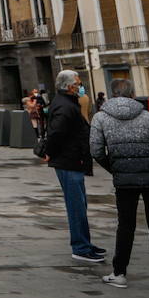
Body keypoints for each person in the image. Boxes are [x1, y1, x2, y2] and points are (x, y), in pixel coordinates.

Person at [90, 78, 149, 292]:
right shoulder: (147, 116)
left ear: (113, 94)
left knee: (125, 226)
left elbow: (95, 151)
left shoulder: (100, 117)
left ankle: (119, 273)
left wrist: (116, 168)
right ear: (132, 94)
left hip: (124, 181)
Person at [42, 70, 105, 263]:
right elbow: (56, 133)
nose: (80, 87)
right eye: (77, 84)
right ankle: (80, 247)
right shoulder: (65, 106)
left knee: (80, 204)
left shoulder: (68, 103)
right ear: (69, 87)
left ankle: (84, 242)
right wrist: (47, 151)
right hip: (68, 161)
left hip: (72, 160)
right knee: (76, 206)